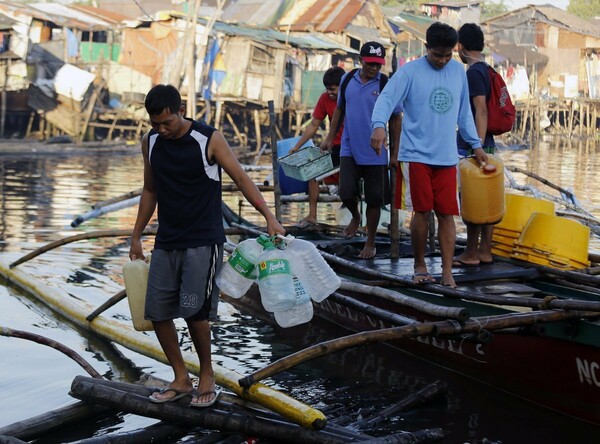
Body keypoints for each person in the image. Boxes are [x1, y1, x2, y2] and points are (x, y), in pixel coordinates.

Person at [129, 84, 285, 407]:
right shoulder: (151, 143)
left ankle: (207, 374)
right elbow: (149, 190)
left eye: (166, 123)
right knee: (157, 312)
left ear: (180, 110)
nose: (161, 129)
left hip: (203, 241)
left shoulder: (208, 139)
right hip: (167, 240)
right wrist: (136, 234)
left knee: (195, 312)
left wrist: (268, 216)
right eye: (154, 123)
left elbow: (241, 178)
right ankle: (181, 378)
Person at [371, 22, 485, 288]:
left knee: (447, 214)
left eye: (447, 55)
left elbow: (464, 114)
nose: (443, 60)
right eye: (437, 55)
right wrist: (378, 126)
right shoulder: (410, 72)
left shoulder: (458, 71)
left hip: (447, 157)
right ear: (426, 48)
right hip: (416, 155)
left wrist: (476, 146)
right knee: (421, 212)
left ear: (454, 51)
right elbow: (386, 99)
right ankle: (420, 264)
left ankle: (447, 271)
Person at [321, 42, 402, 259]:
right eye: (370, 64)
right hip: (349, 147)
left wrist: (394, 154)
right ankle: (356, 216)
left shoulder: (385, 83)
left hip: (375, 152)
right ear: (361, 60)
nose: (374, 68)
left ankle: (371, 240)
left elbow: (396, 118)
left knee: (375, 198)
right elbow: (339, 109)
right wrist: (330, 137)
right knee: (346, 191)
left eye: (378, 64)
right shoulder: (348, 79)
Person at [453, 23, 496, 267]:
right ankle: (485, 251)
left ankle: (471, 253)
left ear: (461, 46)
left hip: (476, 145)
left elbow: (481, 110)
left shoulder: (473, 73)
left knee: (471, 199)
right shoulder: (488, 69)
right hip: (487, 144)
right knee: (487, 198)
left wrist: (475, 145)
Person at [289, 66, 345, 227]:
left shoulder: (351, 98)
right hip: (334, 148)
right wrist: (298, 146)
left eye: (333, 89)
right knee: (312, 173)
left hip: (350, 148)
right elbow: (314, 124)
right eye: (328, 89)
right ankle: (312, 215)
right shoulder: (324, 99)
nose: (330, 93)